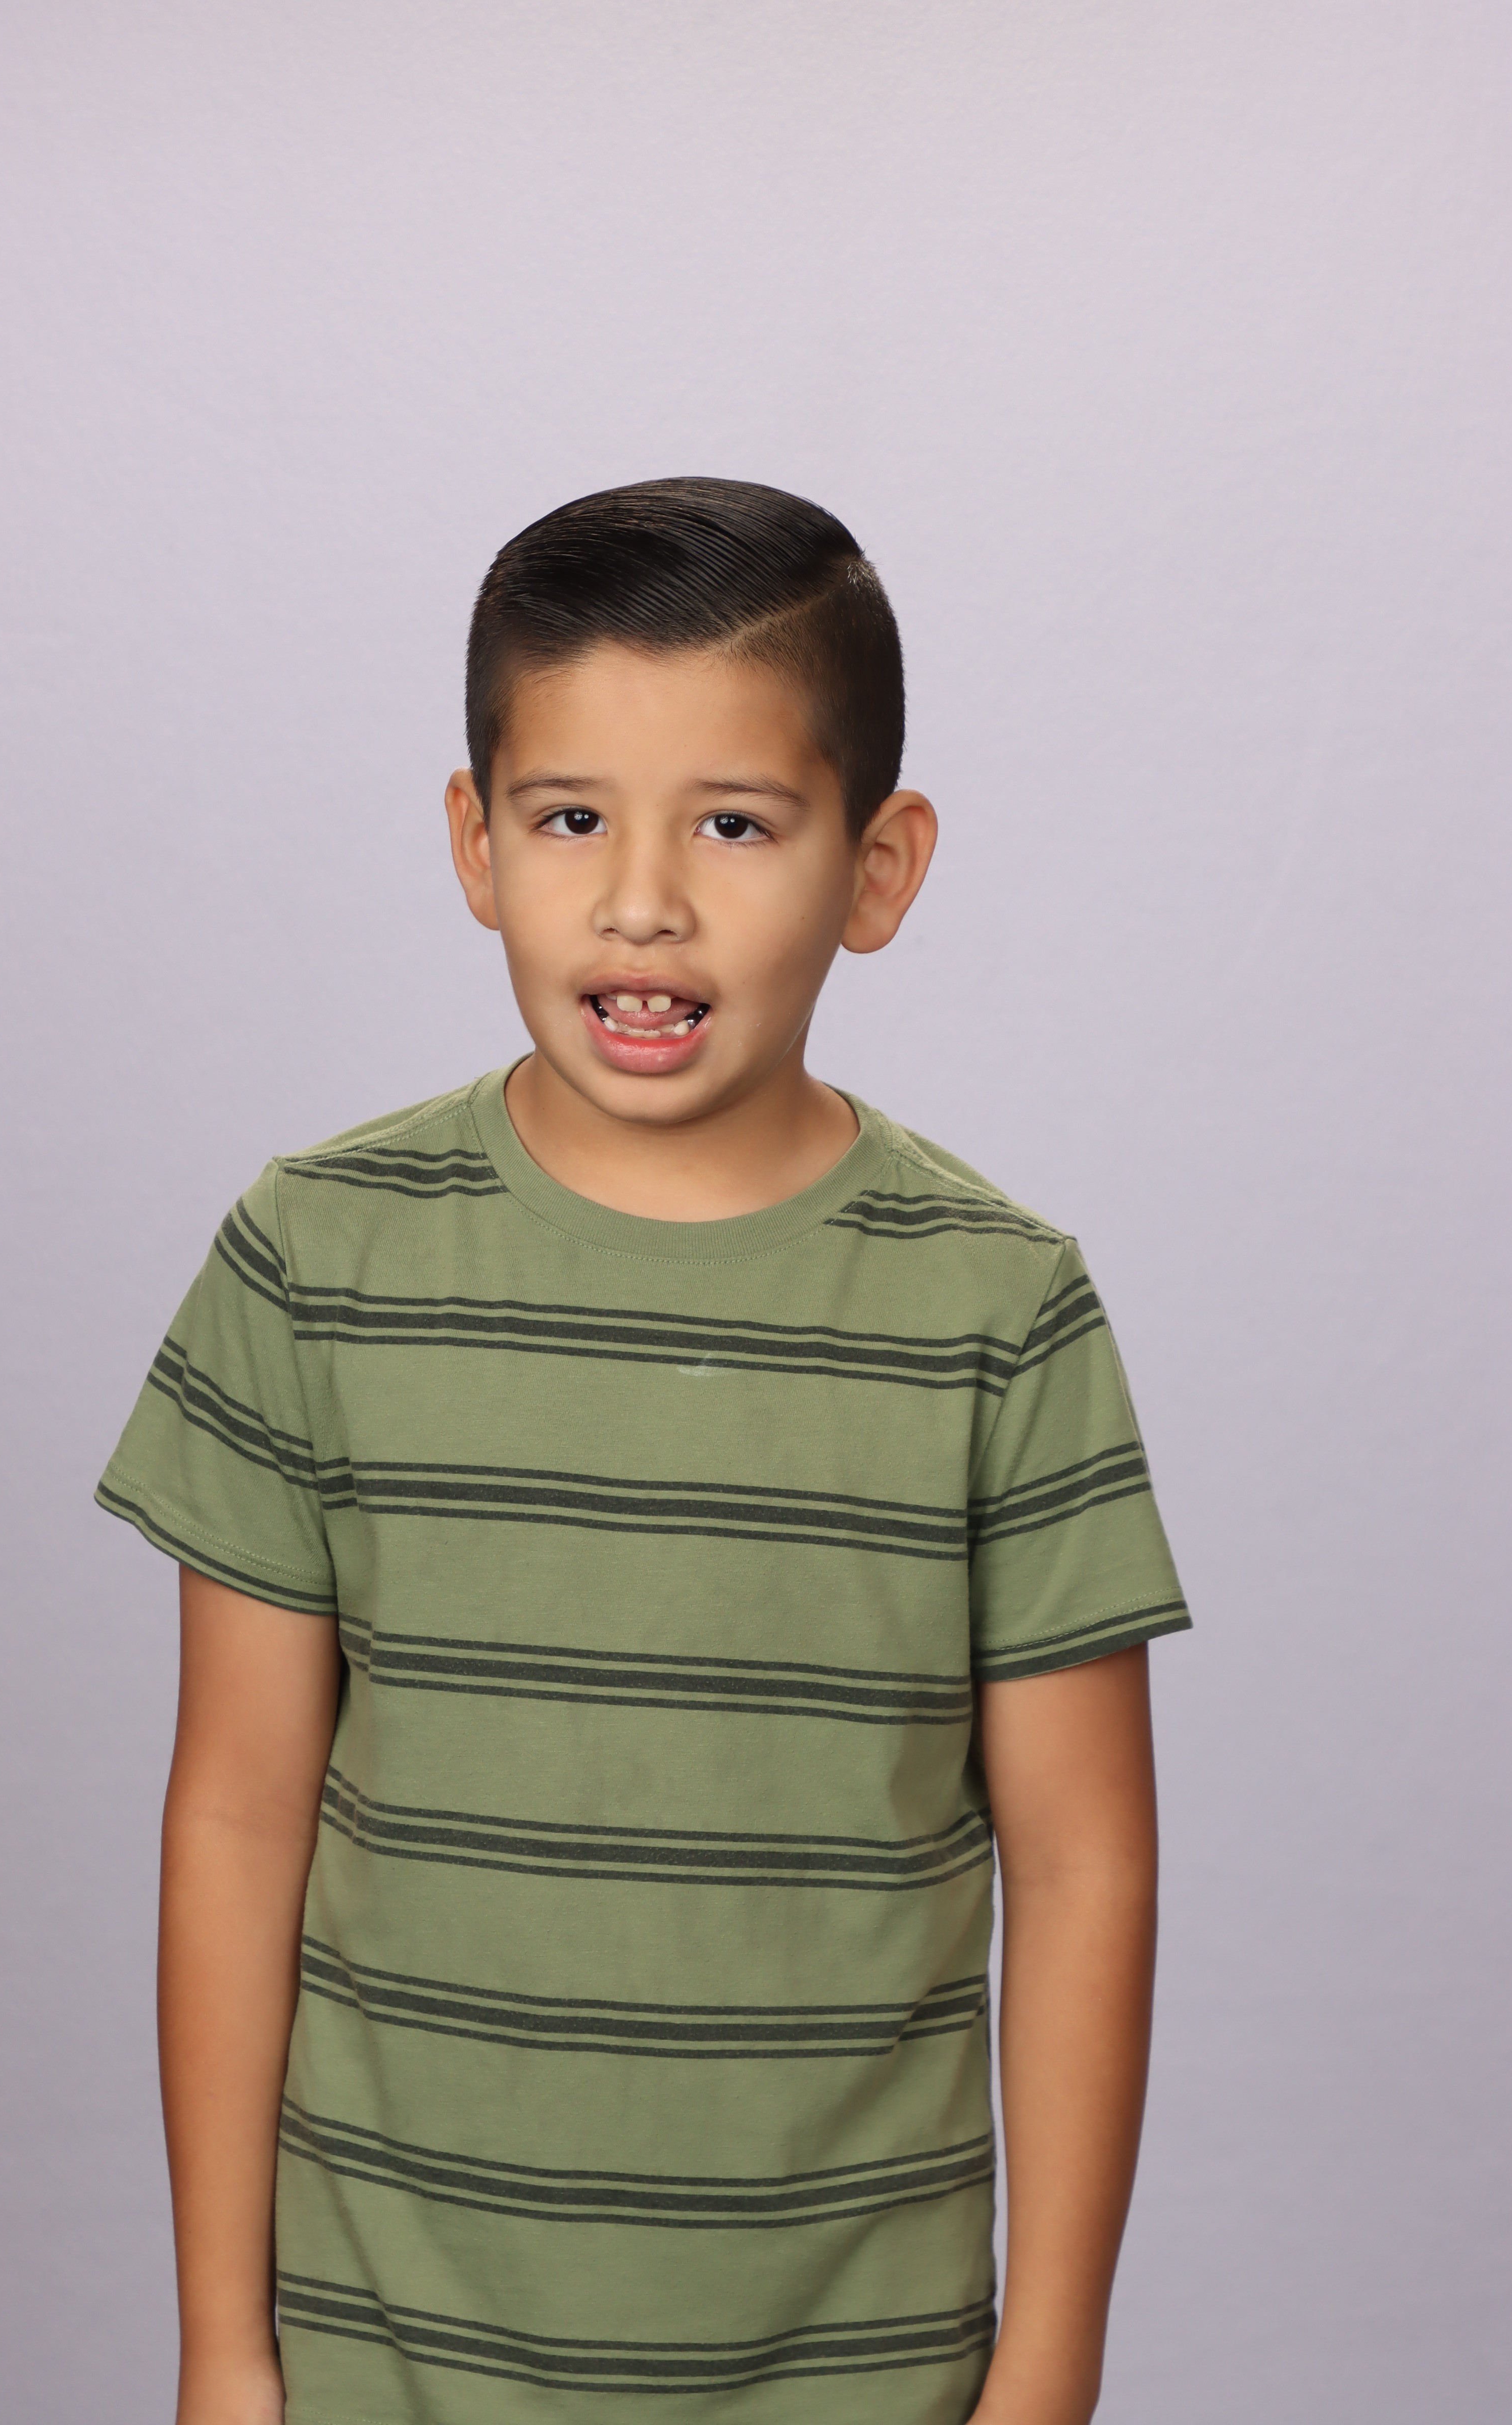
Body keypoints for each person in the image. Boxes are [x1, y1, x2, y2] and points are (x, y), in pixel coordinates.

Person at [97, 477, 1191, 2425]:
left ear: (879, 867)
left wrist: (1046, 2378)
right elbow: (238, 1818)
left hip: (858, 2370)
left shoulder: (997, 1309)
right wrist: (223, 2355)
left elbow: (1086, 1860)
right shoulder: (314, 1262)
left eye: (736, 824)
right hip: (391, 2362)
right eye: (572, 817)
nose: (642, 901)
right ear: (475, 841)